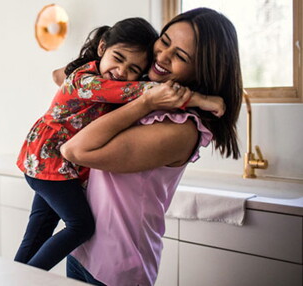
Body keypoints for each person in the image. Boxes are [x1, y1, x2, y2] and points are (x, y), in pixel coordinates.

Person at [14, 17, 223, 271]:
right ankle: (24, 279)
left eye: (134, 69)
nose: (123, 72)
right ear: (102, 48)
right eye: (119, 58)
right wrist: (200, 99)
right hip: (49, 160)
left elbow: (136, 89)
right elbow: (138, 92)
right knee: (79, 226)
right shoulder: (90, 81)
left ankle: (17, 274)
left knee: (39, 228)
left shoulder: (100, 77)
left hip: (52, 164)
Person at [59, 8, 242, 285]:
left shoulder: (179, 129)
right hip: (83, 249)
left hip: (117, 266)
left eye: (180, 56)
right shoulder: (141, 90)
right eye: (164, 41)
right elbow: (61, 76)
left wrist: (148, 102)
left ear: (201, 70)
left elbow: (75, 150)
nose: (162, 57)